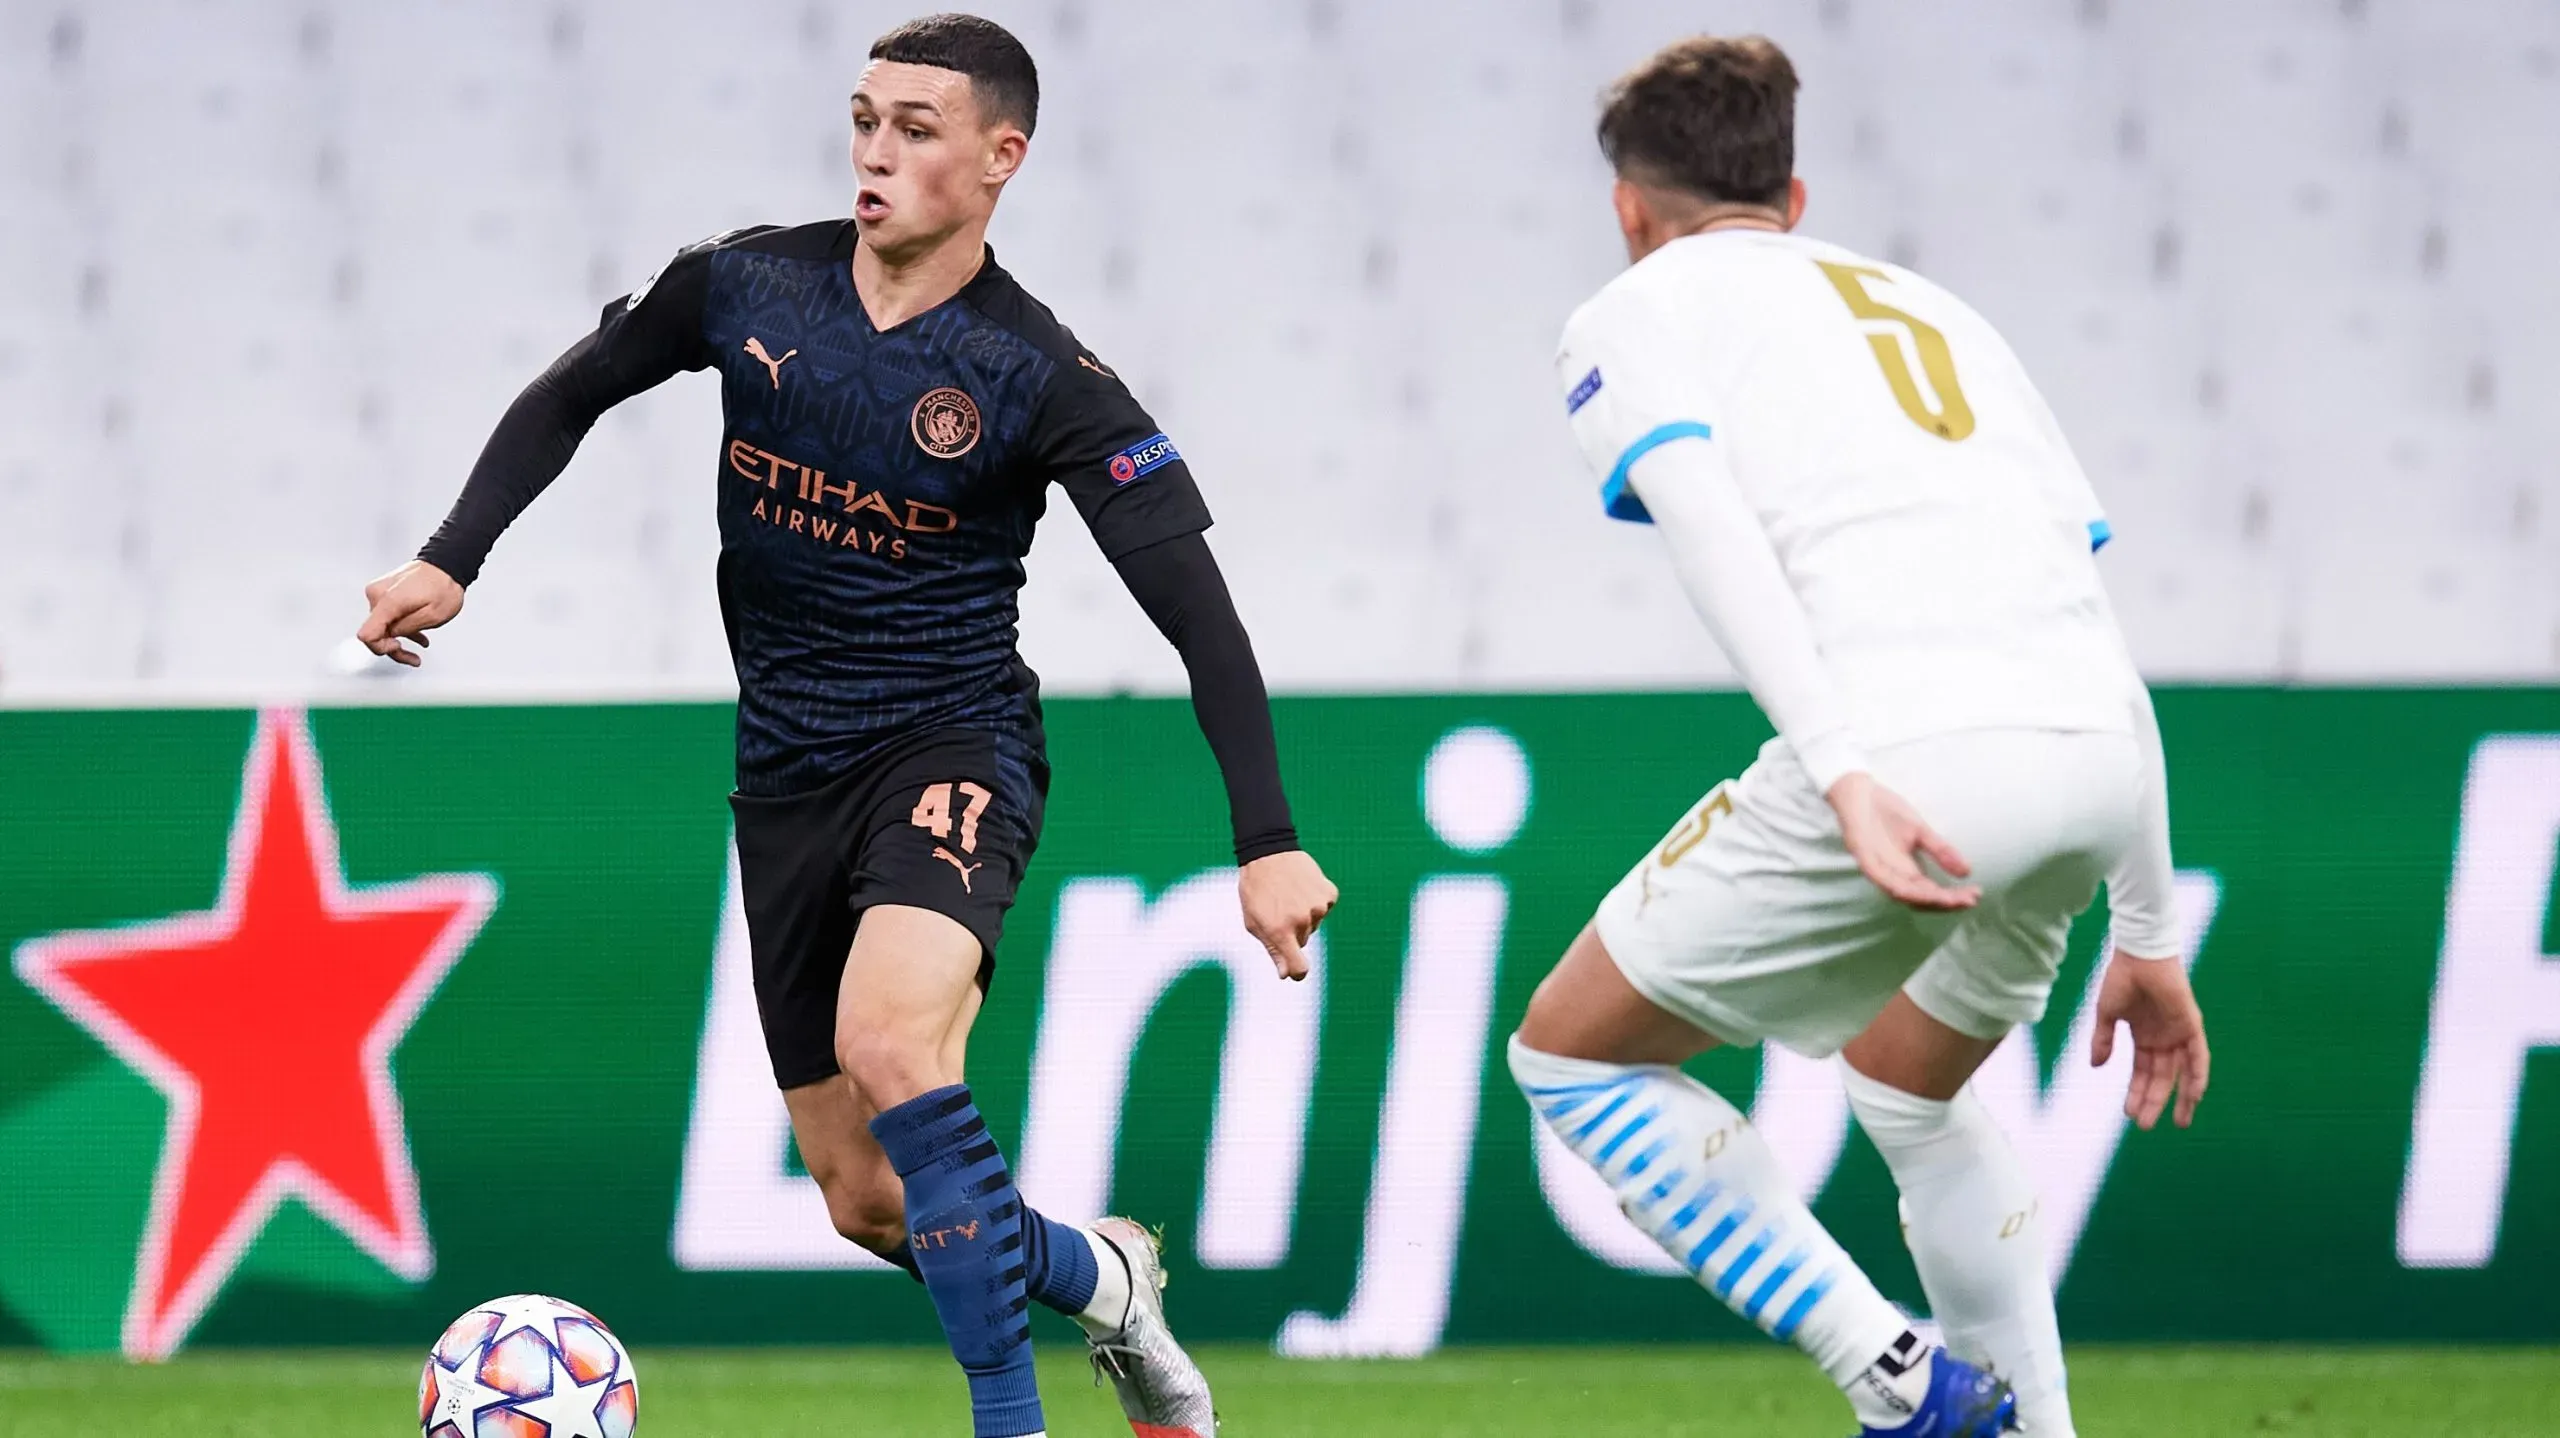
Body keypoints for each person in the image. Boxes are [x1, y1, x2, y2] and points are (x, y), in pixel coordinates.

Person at [355, 14, 1337, 1438]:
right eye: (866, 119)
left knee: (894, 1047)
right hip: (786, 772)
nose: (877, 151)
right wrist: (457, 552)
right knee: (865, 1193)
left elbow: (1202, 613)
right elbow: (575, 387)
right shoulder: (745, 281)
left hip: (951, 745)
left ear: (1003, 159)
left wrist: (1268, 839)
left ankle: (1011, 1420)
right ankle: (1103, 1277)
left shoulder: (1043, 376)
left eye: (917, 129)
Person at [1510, 34, 2209, 1438]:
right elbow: (2080, 603)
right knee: (1909, 1083)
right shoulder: (1944, 315)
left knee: (1571, 1056)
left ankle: (1895, 1382)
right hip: (2091, 760)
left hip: (1912, 752)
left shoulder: (1636, 311)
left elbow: (1710, 532)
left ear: (1628, 209)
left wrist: (1843, 773)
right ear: (1795, 191)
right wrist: (2148, 926)